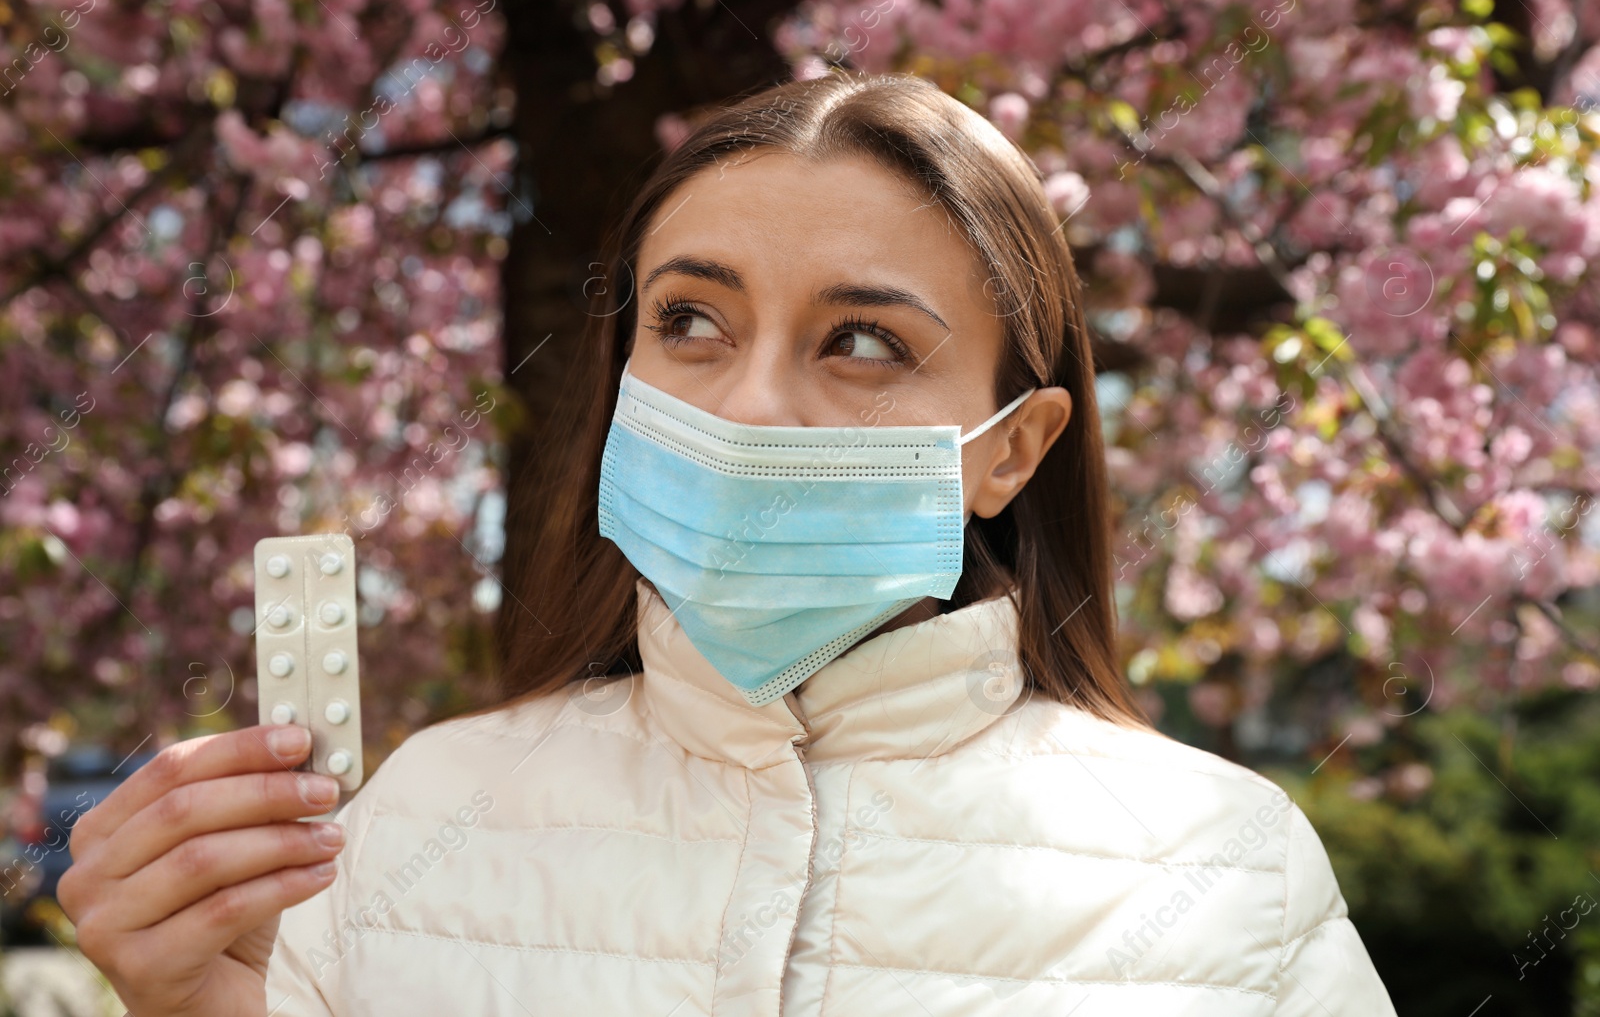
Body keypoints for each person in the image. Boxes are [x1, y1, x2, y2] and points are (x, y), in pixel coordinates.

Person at [58, 70, 1398, 1016]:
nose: (748, 402)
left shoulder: (1227, 869)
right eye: (690, 321)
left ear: (1012, 449)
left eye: (861, 341)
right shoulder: (421, 816)